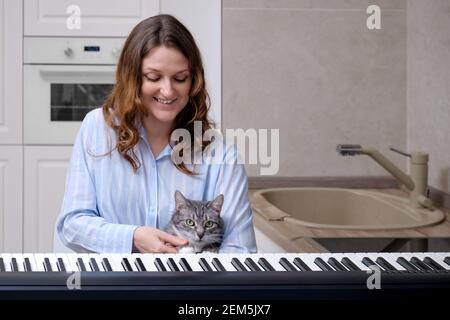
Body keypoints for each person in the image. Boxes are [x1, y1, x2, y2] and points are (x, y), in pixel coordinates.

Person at [56, 14, 257, 253]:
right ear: (132, 78)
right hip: (113, 287)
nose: (168, 90)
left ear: (194, 81)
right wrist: (133, 237)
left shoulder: (222, 154)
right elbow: (72, 225)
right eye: (153, 77)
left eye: (180, 78)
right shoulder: (97, 128)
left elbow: (240, 250)